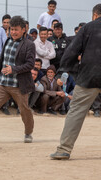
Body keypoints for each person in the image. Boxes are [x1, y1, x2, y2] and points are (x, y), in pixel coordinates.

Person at [50, 4, 101, 160]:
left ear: (94, 15)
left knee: (76, 111)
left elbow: (71, 51)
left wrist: (61, 71)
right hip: (90, 73)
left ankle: (64, 149)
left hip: (90, 75)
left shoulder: (88, 28)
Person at [0, 16, 35, 143]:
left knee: (24, 110)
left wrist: (14, 69)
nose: (13, 32)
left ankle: (28, 133)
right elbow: (3, 60)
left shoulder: (29, 44)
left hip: (19, 85)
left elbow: (30, 65)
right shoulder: (7, 41)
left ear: (24, 29)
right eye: (11, 29)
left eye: (16, 30)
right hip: (3, 83)